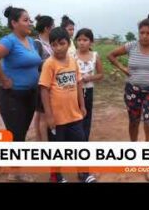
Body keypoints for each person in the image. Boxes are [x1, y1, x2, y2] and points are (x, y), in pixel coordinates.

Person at [107, 13, 149, 182]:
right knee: (134, 121)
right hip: (132, 91)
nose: (144, 36)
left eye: (148, 33)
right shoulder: (131, 46)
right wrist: (122, 68)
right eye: (141, 32)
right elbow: (111, 55)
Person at [0, 6, 41, 182]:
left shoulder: (30, 41)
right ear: (14, 23)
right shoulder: (10, 41)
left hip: (30, 94)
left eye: (30, 19)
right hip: (12, 96)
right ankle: (16, 172)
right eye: (25, 20)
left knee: (18, 132)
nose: (29, 22)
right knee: (17, 134)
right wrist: (3, 79)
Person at [39, 27, 96, 183]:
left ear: (68, 43)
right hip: (57, 118)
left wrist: (82, 106)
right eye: (54, 44)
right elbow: (44, 90)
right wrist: (49, 116)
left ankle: (84, 173)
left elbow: (78, 84)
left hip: (74, 115)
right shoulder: (49, 64)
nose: (58, 48)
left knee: (80, 144)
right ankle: (56, 176)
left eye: (62, 44)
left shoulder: (73, 61)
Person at [74, 28, 104, 140]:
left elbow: (101, 74)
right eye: (79, 39)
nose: (81, 42)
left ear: (91, 42)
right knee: (74, 118)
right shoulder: (72, 56)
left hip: (88, 91)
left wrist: (90, 78)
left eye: (85, 40)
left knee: (86, 117)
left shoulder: (95, 55)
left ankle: (84, 140)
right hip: (73, 91)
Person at [32, 14, 55, 141]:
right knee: (44, 115)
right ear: (47, 28)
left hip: (49, 82)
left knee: (40, 115)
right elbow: (35, 63)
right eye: (53, 26)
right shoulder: (37, 43)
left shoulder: (50, 42)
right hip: (42, 83)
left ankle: (38, 139)